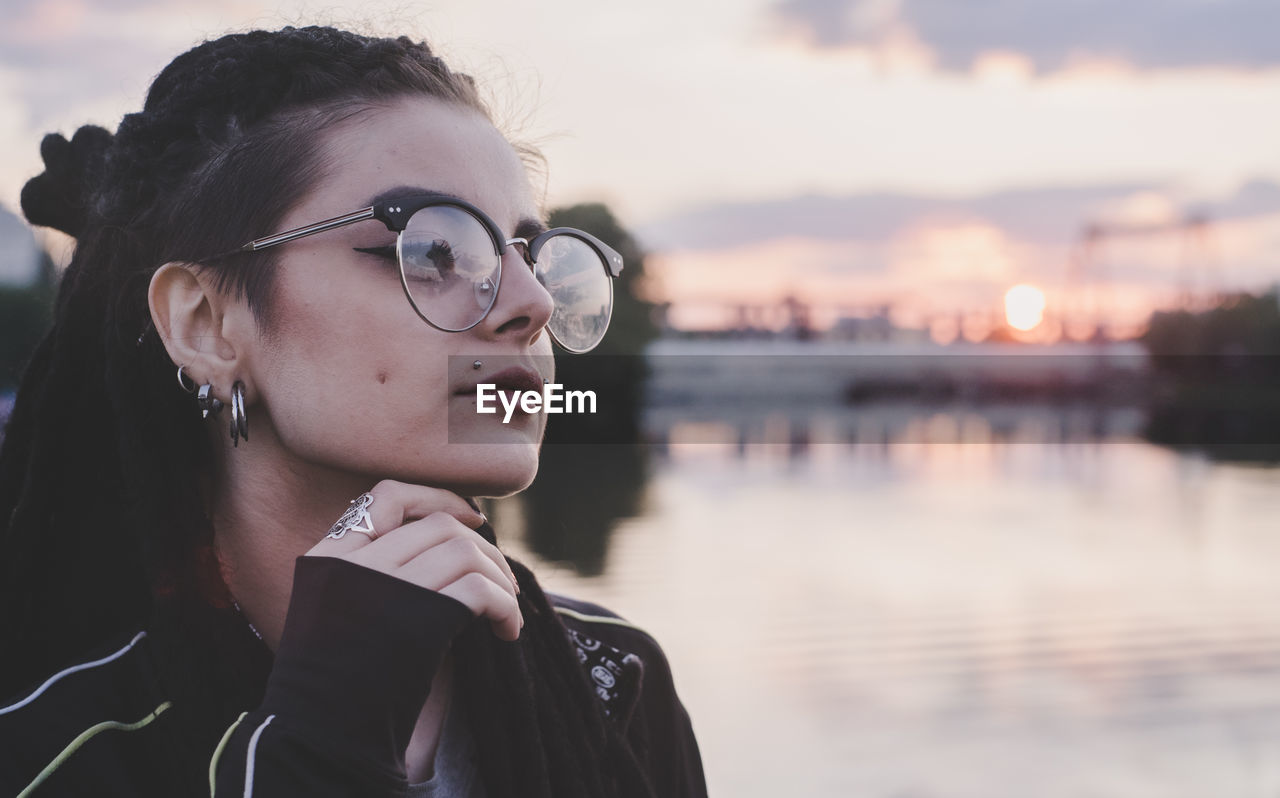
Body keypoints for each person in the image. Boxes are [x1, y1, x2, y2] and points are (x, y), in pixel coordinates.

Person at [0, 25, 707, 798]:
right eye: (435, 251)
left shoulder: (613, 681)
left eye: (530, 255)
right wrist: (319, 743)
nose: (532, 303)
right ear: (205, 322)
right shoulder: (57, 747)